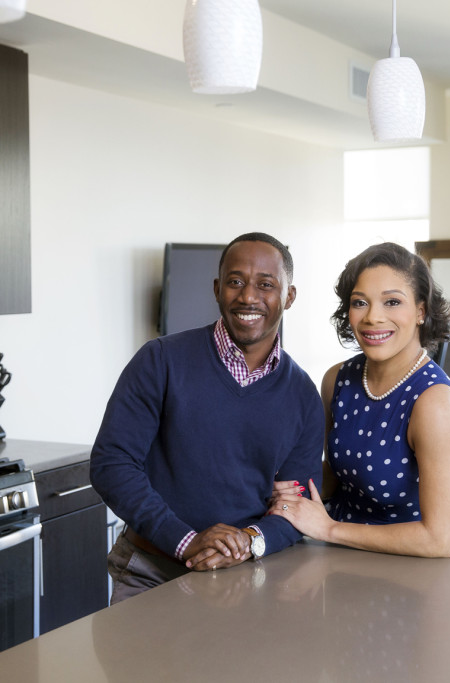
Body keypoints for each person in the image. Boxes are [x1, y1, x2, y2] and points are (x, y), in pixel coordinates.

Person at [90, 232, 324, 603]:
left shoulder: (304, 396)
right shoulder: (160, 361)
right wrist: (186, 542)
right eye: (235, 282)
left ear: (289, 297)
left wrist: (247, 542)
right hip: (150, 572)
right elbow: (112, 464)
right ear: (217, 289)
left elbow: (296, 507)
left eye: (266, 284)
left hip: (246, 577)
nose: (248, 296)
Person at [269, 242, 450, 557]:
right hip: (341, 555)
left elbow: (438, 540)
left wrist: (328, 528)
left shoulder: (433, 402)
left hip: (411, 573)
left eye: (392, 302)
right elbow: (341, 473)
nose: (373, 317)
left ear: (420, 311)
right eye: (360, 302)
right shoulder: (338, 380)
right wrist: (294, 491)